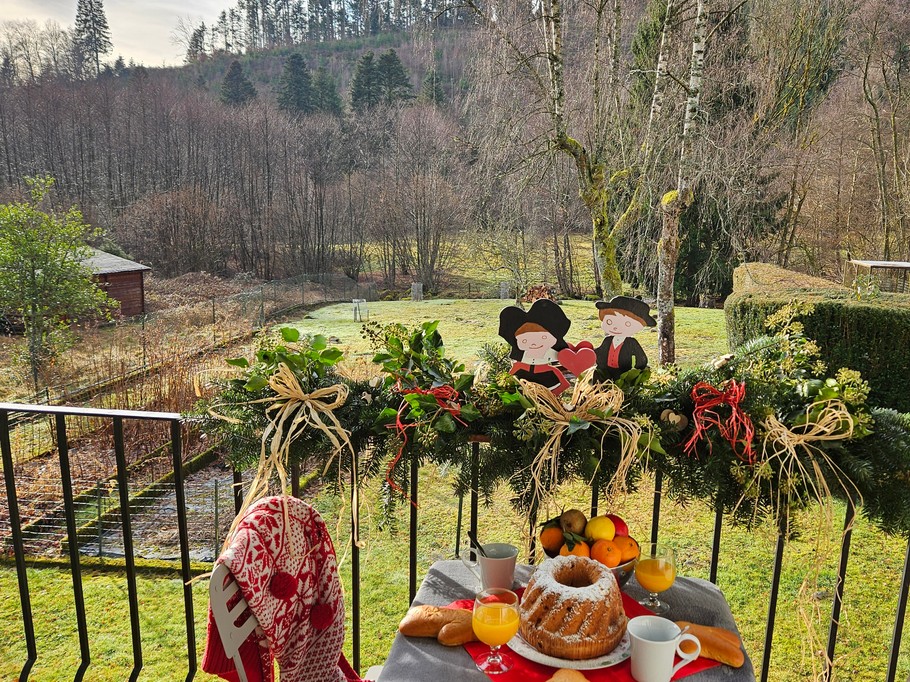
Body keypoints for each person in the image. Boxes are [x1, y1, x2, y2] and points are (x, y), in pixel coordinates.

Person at [498, 298, 571, 395]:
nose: (533, 344)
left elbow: (564, 385)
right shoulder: (519, 366)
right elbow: (506, 381)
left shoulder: (552, 371)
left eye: (543, 337)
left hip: (547, 397)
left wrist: (550, 397)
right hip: (523, 393)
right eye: (524, 340)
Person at [594, 296, 655, 382]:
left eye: (627, 324)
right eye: (609, 322)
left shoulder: (632, 343)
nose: (615, 328)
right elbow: (601, 352)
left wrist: (634, 371)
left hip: (623, 373)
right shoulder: (607, 340)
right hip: (606, 372)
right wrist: (590, 353)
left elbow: (641, 359)